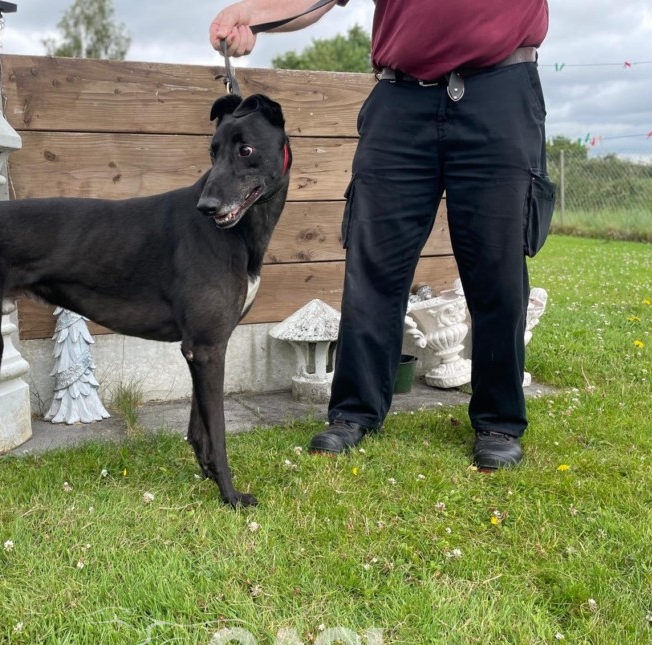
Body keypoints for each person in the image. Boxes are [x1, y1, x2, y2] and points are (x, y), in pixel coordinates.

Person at [210, 0, 552, 470]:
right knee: (373, 263)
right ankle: (354, 412)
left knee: (497, 264)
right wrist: (250, 14)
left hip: (500, 91)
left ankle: (498, 421)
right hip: (399, 99)